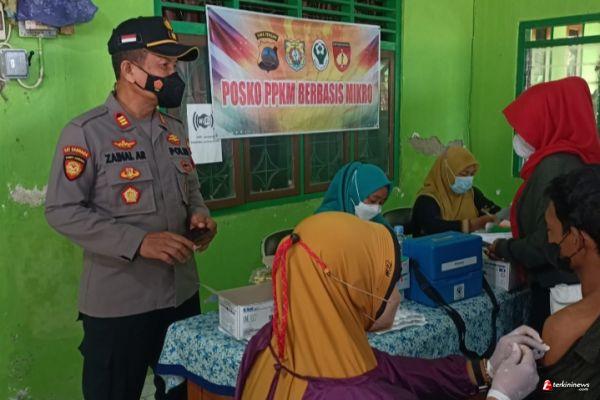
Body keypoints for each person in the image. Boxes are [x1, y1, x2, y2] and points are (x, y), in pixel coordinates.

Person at [44, 16, 217, 400]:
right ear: (129, 70)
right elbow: (61, 210)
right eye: (164, 65)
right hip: (120, 304)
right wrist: (138, 242)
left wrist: (200, 215)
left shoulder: (174, 130)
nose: (174, 75)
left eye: (175, 66)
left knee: (183, 395)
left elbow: (192, 189)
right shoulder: (86, 132)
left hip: (180, 296)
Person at [234, 212, 544, 400]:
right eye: (387, 282)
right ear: (349, 289)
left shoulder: (268, 343)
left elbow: (392, 370)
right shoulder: (359, 394)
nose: (395, 295)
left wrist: (485, 368)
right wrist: (500, 395)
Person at [488, 77, 600, 332]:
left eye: (524, 128)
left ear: (548, 121)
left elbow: (545, 245)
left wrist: (505, 247)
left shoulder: (555, 166)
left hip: (558, 290)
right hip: (574, 286)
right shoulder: (575, 160)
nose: (519, 136)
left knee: (553, 353)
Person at [532, 166, 600, 399]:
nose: (549, 239)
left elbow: (552, 389)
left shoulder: (562, 327)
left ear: (576, 239)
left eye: (550, 229)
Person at [411, 146, 500, 237]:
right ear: (446, 172)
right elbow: (433, 228)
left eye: (472, 174)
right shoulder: (426, 199)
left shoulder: (472, 193)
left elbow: (494, 212)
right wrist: (471, 225)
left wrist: (504, 214)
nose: (468, 179)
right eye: (464, 174)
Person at [315, 161, 392, 227]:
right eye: (373, 200)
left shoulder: (376, 220)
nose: (376, 209)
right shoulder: (324, 219)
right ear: (355, 193)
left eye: (381, 203)